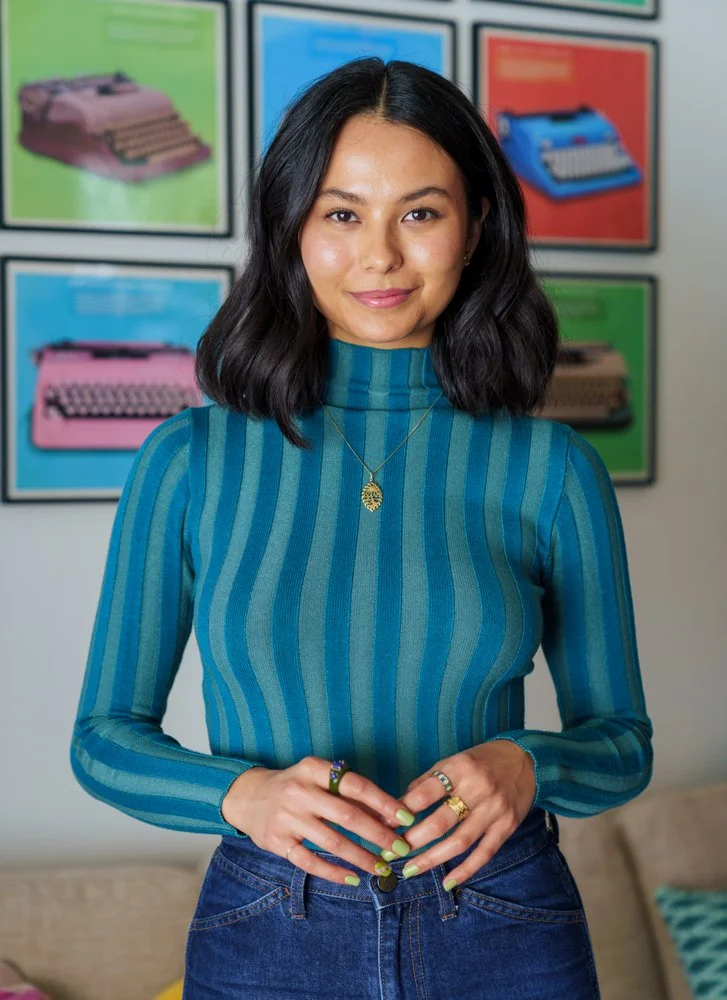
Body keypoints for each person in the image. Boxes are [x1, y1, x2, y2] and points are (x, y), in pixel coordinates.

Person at [70, 58, 654, 999]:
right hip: (267, 935)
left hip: (504, 926)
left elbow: (621, 741)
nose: (379, 254)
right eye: (341, 214)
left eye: (419, 212)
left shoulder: (552, 470)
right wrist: (242, 795)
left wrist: (528, 763)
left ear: (475, 228)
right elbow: (103, 737)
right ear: (291, 228)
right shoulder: (189, 460)